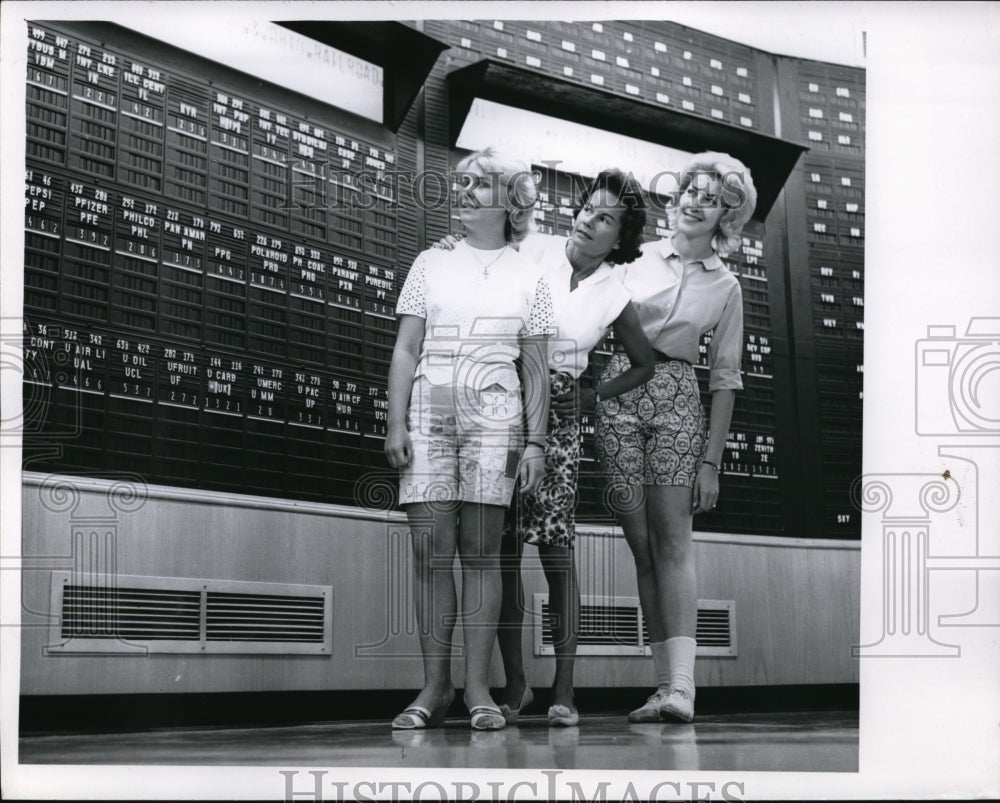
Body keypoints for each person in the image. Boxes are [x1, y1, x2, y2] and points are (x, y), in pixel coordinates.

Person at [433, 168, 654, 728]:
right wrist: (447, 246)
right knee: (501, 551)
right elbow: (479, 250)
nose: (586, 221)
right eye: (586, 209)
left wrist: (594, 392)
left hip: (557, 416)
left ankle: (564, 689)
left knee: (555, 553)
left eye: (604, 218)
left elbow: (645, 364)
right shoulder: (534, 249)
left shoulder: (616, 293)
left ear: (619, 239)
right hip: (503, 395)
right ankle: (515, 685)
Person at [384, 148, 552, 731]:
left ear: (512, 201)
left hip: (497, 417)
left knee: (482, 555)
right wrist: (396, 422)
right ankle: (435, 688)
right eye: (461, 183)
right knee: (430, 554)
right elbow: (406, 348)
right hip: (430, 410)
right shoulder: (429, 263)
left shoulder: (532, 275)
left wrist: (535, 442)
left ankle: (480, 687)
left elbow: (535, 366)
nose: (465, 191)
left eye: (481, 184)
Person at [597, 152, 757, 723]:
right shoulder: (633, 257)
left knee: (673, 542)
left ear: (725, 217)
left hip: (676, 396)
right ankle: (662, 687)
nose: (694, 202)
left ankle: (685, 687)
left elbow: (727, 379)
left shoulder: (728, 286)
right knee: (642, 546)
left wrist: (710, 462)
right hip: (618, 393)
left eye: (710, 198)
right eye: (690, 190)